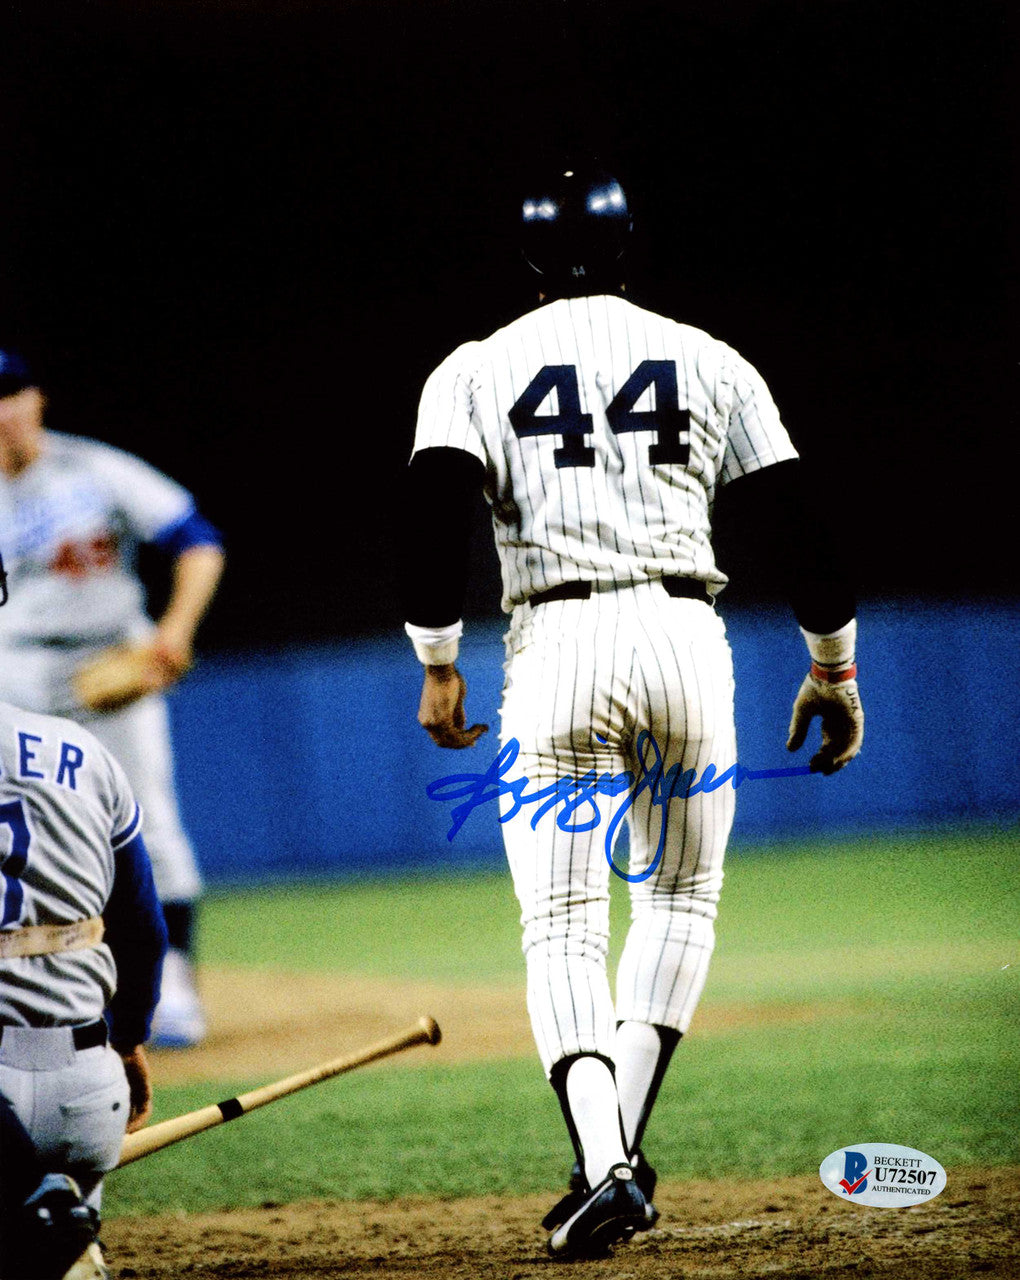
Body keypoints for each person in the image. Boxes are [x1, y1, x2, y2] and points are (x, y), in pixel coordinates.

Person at [402, 167, 864, 1259]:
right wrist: (833, 670)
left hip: (555, 643)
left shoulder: (474, 366)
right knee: (680, 901)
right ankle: (612, 1163)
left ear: (526, 254)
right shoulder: (709, 356)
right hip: (683, 642)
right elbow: (802, 522)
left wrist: (436, 660)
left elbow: (429, 515)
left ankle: (605, 1162)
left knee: (562, 926)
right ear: (627, 247)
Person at [0, 349, 224, 1047]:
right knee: (25, 833)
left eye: (14, 394)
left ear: (37, 399)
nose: (5, 412)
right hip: (18, 672)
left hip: (110, 657)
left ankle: (174, 983)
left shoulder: (93, 469)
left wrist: (174, 633)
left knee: (148, 820)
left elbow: (196, 540)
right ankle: (43, 992)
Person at [0, 544, 169, 1280]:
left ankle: (32, 1211)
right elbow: (143, 927)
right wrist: (128, 1040)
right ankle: (65, 1227)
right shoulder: (83, 750)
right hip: (90, 1097)